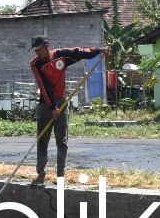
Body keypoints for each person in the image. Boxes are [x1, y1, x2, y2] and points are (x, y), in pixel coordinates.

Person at [29, 35, 105, 183]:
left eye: (38, 50)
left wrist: (97, 51)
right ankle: (41, 172)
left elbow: (78, 53)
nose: (36, 53)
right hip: (45, 104)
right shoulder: (35, 64)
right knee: (42, 139)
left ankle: (60, 174)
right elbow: (44, 86)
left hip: (61, 101)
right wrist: (52, 107)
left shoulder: (60, 55)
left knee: (62, 140)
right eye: (35, 51)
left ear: (46, 46)